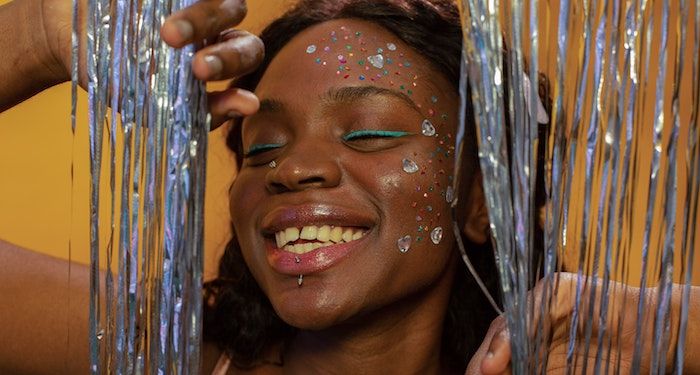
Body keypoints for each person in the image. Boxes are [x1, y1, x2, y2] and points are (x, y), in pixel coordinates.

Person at [0, 0, 698, 374]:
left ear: (485, 198)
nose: (292, 168)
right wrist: (34, 34)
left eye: (367, 134)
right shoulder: (162, 350)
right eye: (261, 147)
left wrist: (681, 330)